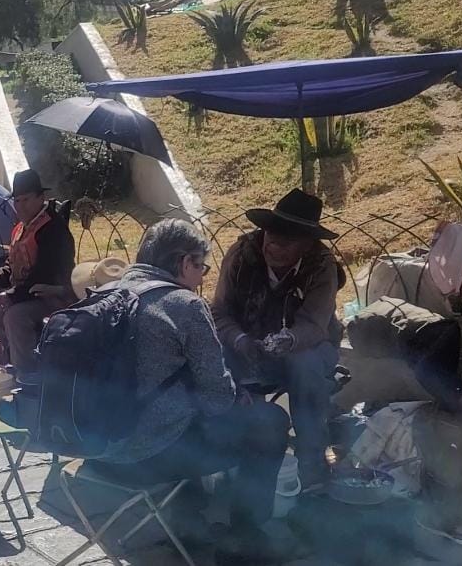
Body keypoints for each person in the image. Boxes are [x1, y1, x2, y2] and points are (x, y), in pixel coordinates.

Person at [87, 219, 290, 564]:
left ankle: (187, 520)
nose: (203, 277)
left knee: (181, 413)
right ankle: (245, 539)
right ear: (184, 263)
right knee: (269, 422)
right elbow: (216, 400)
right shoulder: (185, 305)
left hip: (94, 450)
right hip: (145, 458)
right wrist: (236, 394)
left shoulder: (105, 294)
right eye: (201, 267)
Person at [212, 189, 342, 491]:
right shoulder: (241, 255)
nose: (275, 246)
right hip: (246, 342)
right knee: (212, 353)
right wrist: (240, 339)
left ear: (306, 245)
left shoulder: (321, 265)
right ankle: (233, 449)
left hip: (305, 345)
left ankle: (312, 457)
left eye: (288, 241)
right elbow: (218, 311)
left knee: (305, 363)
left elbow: (314, 323)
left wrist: (290, 340)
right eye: (271, 235)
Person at [0, 169, 75, 375]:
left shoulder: (53, 229)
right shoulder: (21, 228)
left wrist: (12, 295)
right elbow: (11, 265)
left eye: (25, 200)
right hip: (23, 293)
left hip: (51, 294)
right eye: (17, 201)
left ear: (41, 198)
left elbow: (45, 274)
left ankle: (25, 376)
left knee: (15, 316)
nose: (20, 206)